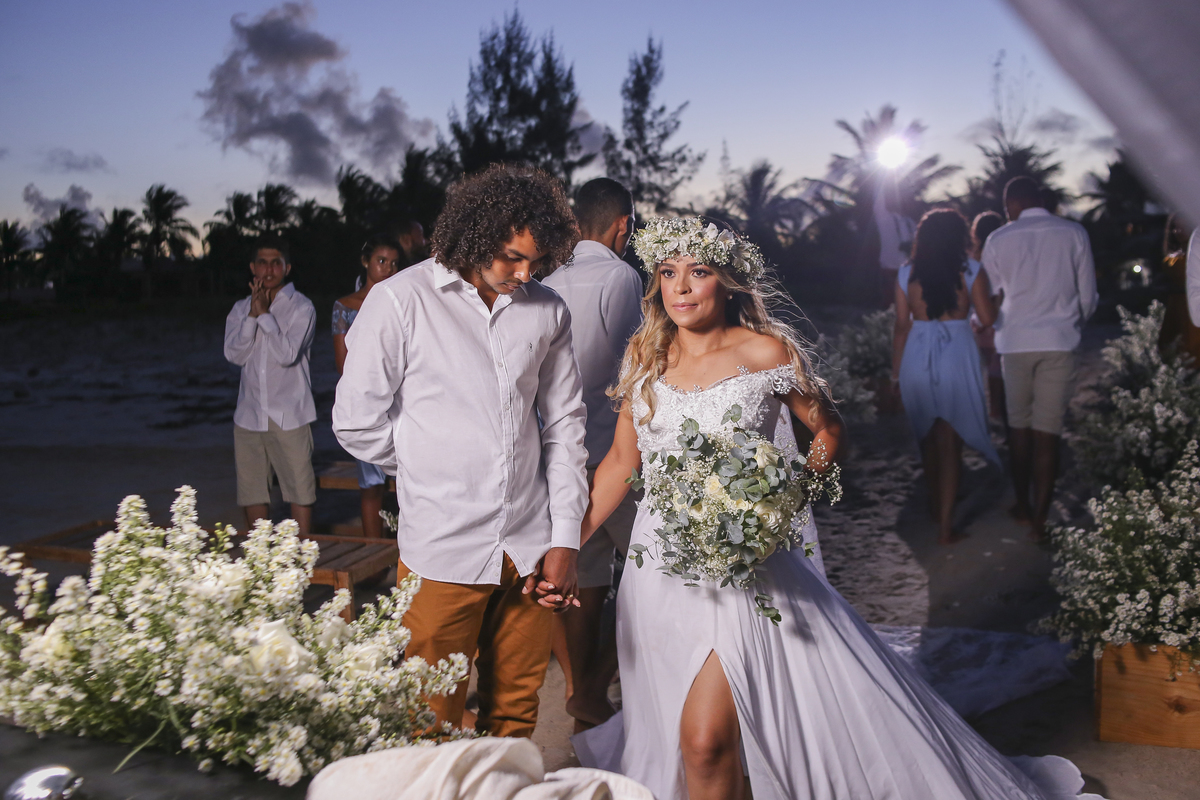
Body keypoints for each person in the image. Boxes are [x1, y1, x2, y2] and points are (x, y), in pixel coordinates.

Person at [567, 216, 1094, 800]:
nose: (682, 287)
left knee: (705, 741)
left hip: (745, 568)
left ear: (728, 281)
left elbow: (827, 426)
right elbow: (620, 463)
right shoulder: (645, 359)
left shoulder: (764, 351)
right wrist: (567, 545)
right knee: (681, 729)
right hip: (660, 569)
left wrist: (787, 492)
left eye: (699, 272)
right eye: (668, 273)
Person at [332, 164, 589, 738]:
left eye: (536, 261)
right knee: (428, 720)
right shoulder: (400, 301)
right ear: (475, 235)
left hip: (529, 547)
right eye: (511, 257)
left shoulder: (547, 309)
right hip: (442, 549)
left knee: (516, 716)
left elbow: (565, 425)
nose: (524, 274)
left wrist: (565, 539)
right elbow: (355, 423)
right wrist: (434, 465)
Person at [541, 178, 644, 730]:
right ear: (623, 225)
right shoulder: (620, 276)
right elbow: (635, 367)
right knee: (657, 571)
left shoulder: (548, 280)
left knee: (585, 575)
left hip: (561, 456)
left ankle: (583, 696)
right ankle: (597, 686)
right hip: (613, 456)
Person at [982, 176, 1098, 540]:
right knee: (1048, 434)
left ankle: (1022, 505)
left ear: (1013, 204)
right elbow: (1088, 296)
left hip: (1015, 342)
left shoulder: (998, 238)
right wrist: (1070, 323)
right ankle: (1040, 522)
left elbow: (990, 296)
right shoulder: (1074, 233)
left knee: (1019, 430)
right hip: (1059, 342)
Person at [893, 209, 1000, 544]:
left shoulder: (906, 272)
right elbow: (987, 319)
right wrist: (997, 300)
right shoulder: (971, 270)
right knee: (950, 442)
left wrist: (896, 375)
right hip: (956, 354)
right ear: (960, 237)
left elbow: (901, 326)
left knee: (927, 437)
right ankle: (945, 526)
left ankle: (934, 504)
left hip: (916, 353)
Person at [223, 235, 317, 536]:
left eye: (276, 263)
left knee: (300, 491)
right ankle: (260, 557)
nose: (268, 269)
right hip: (249, 414)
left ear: (286, 268)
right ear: (253, 268)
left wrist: (265, 315)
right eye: (262, 263)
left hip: (289, 414)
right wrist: (252, 315)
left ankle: (301, 558)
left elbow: (287, 355)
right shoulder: (240, 309)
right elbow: (234, 355)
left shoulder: (302, 307)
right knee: (252, 492)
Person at [332, 234, 402, 538]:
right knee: (371, 485)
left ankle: (407, 553)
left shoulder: (401, 302)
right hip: (367, 402)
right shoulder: (346, 307)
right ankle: (373, 552)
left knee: (407, 484)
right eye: (381, 261)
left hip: (402, 403)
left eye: (394, 263)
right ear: (366, 262)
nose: (388, 268)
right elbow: (342, 365)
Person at [969, 211, 1007, 422]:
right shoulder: (1002, 251)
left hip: (979, 312)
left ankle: (994, 409)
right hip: (998, 310)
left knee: (989, 364)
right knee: (997, 364)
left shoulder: (974, 256)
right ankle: (999, 409)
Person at [1160, 214, 1200, 361]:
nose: (1178, 231)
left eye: (1182, 227)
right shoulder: (1173, 257)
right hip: (1177, 304)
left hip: (1190, 301)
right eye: (1175, 228)